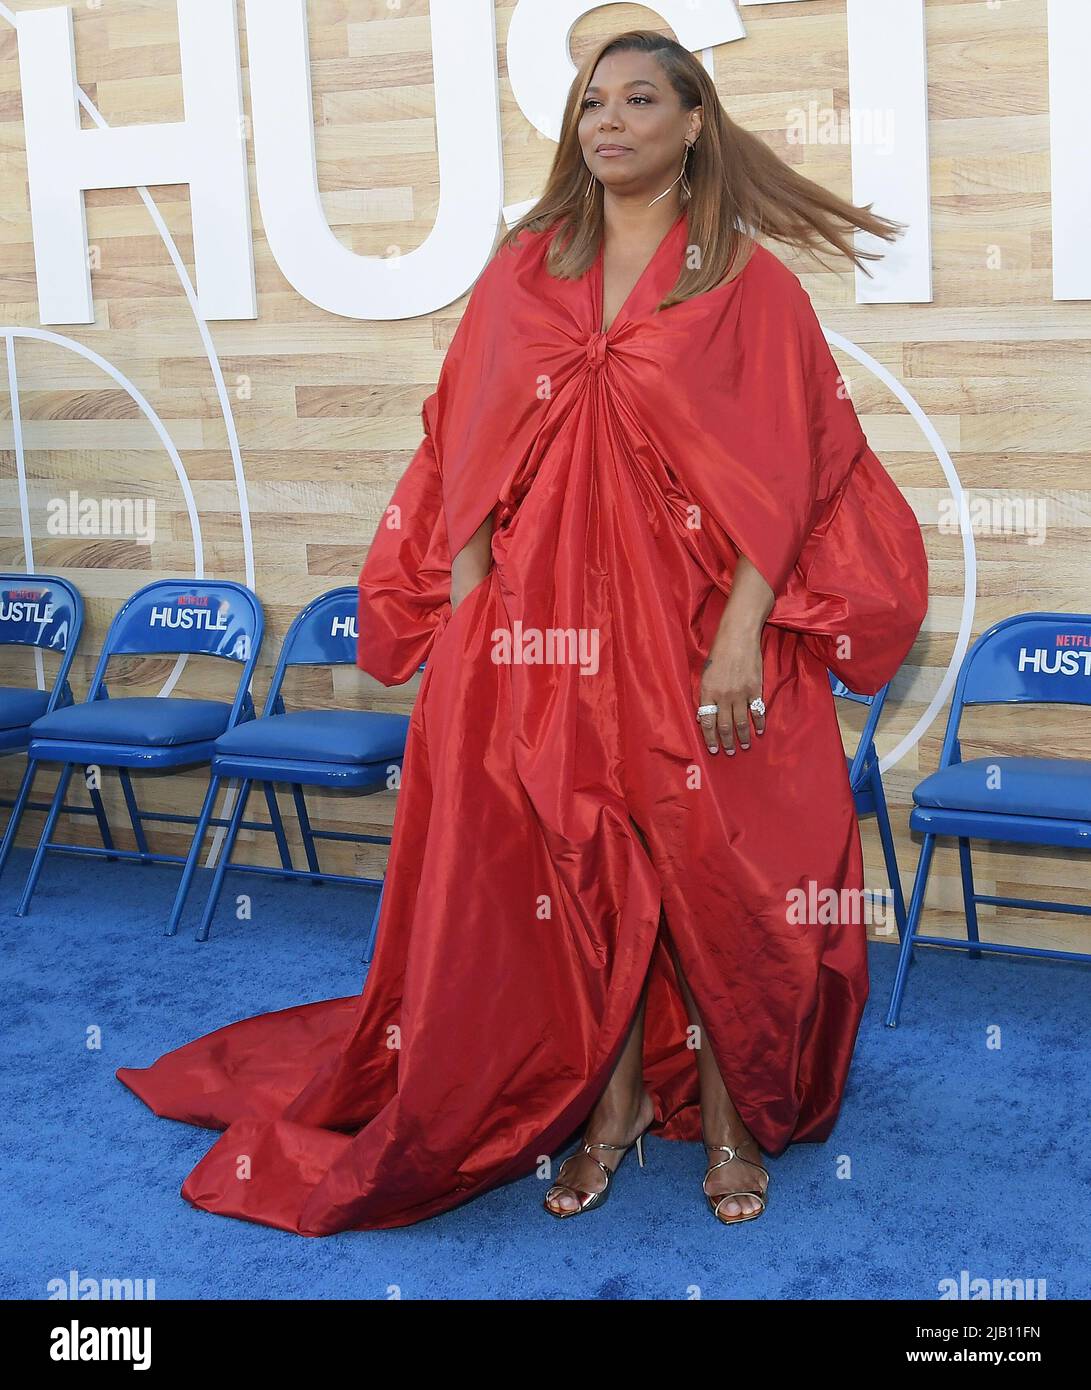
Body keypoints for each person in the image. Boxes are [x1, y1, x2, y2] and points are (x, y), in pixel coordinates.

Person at [116, 29, 929, 1233]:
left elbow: (793, 470)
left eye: (638, 99)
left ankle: (725, 1120)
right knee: (570, 877)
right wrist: (474, 603)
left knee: (720, 882)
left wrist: (739, 637)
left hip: (699, 638)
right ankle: (600, 1113)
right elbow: (461, 448)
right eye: (591, 102)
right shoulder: (524, 269)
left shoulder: (744, 285)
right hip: (545, 643)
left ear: (693, 121)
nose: (608, 121)